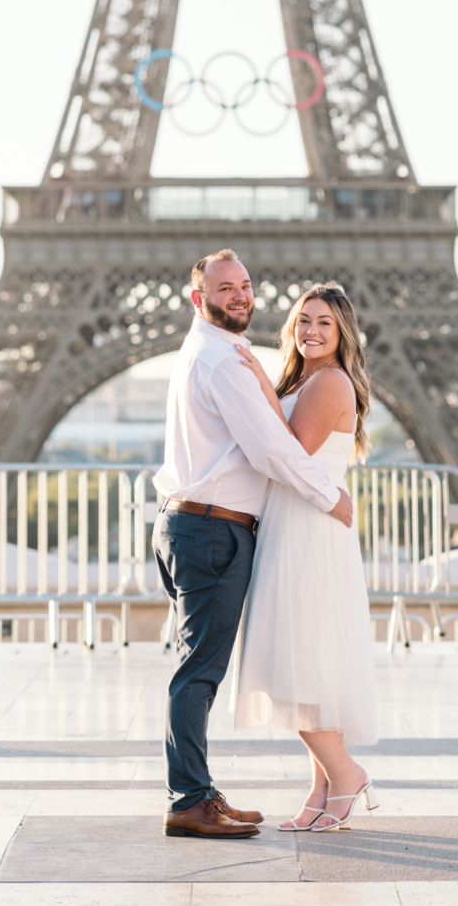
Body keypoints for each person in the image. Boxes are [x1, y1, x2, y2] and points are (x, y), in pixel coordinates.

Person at [152, 250, 354, 840]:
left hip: (192, 522)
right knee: (200, 673)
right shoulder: (225, 362)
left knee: (198, 668)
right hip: (213, 527)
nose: (239, 296)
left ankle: (198, 792)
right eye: (225, 288)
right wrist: (329, 495)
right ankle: (191, 798)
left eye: (245, 286)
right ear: (199, 297)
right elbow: (271, 447)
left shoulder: (210, 353)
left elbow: (271, 436)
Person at [231, 283, 379, 832]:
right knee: (302, 662)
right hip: (295, 525)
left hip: (308, 533)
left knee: (295, 662)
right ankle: (320, 789)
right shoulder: (302, 379)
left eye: (324, 323)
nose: (311, 330)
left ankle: (346, 773)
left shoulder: (330, 381)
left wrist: (255, 383)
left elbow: (287, 447)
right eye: (304, 320)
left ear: (343, 335)